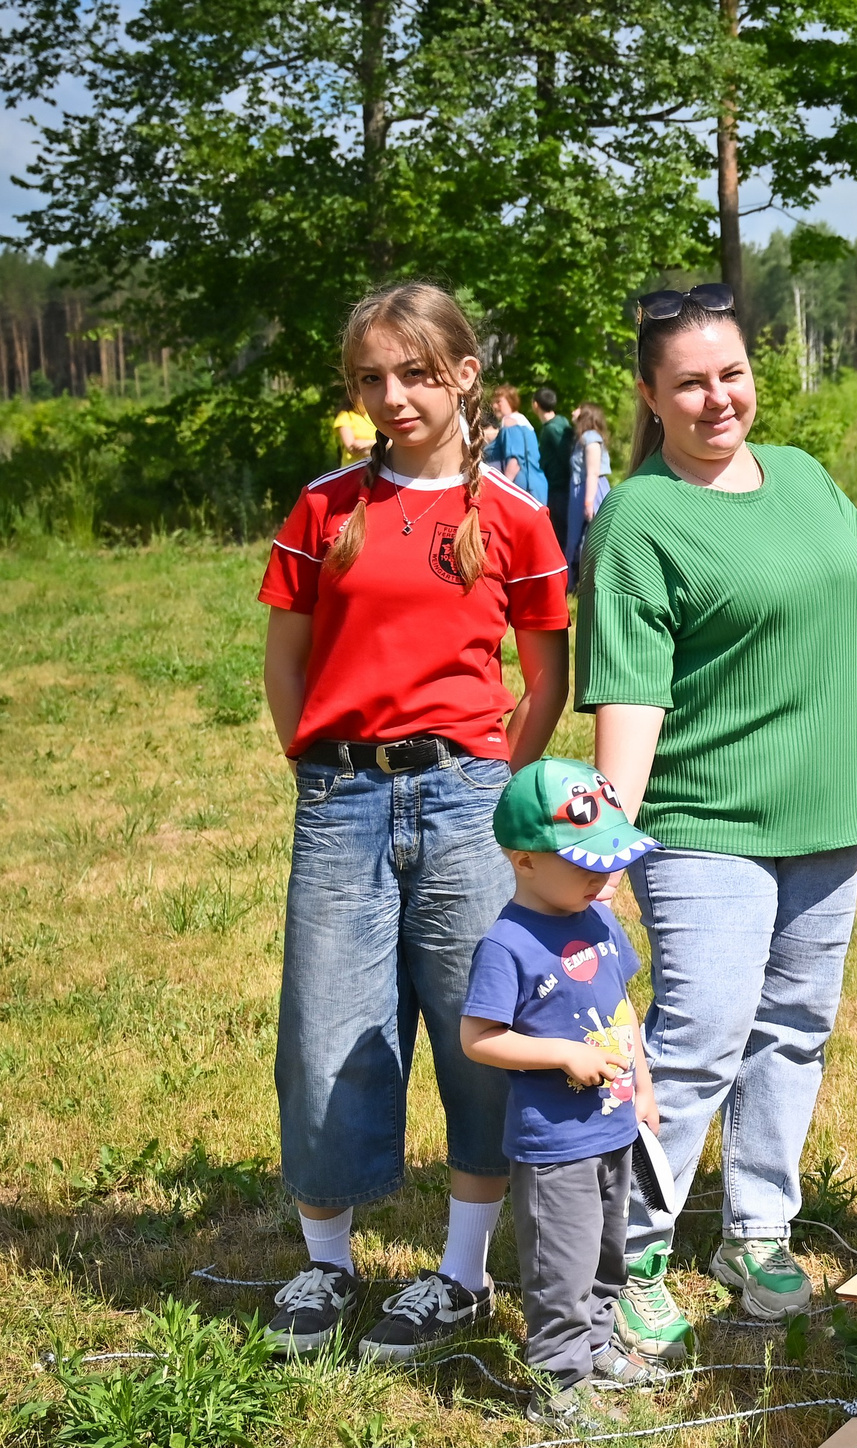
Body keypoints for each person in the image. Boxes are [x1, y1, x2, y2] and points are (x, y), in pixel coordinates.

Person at [579, 281, 857, 1368]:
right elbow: (629, 695)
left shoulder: (807, 480)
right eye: (688, 382)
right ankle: (625, 1262)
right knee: (697, 1040)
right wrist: (607, 844)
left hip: (824, 819)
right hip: (702, 824)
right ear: (650, 394)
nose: (716, 398)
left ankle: (756, 1230)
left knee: (792, 1030)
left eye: (730, 373)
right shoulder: (639, 519)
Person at [255, 281, 570, 1362]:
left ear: (464, 376)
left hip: (466, 799)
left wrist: (494, 781)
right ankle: (327, 1265)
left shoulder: (519, 518)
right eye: (371, 378)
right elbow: (286, 654)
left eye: (415, 374)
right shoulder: (325, 509)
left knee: (478, 1026)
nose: (393, 397)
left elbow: (545, 675)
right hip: (342, 798)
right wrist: (317, 760)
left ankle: (461, 1274)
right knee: (327, 1028)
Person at [459, 759, 663, 1424]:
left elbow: (622, 1007)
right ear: (523, 861)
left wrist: (641, 1086)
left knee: (607, 1256)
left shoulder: (597, 918)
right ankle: (558, 1382)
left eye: (608, 862)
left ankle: (597, 1346)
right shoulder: (508, 946)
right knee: (562, 1269)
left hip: (611, 1128)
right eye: (585, 865)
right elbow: (479, 1038)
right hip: (555, 1145)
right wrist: (561, 1055)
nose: (603, 879)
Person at [483, 385, 547, 507]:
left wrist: (504, 489)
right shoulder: (522, 421)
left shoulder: (510, 421)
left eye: (499, 401)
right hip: (533, 486)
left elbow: (515, 461)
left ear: (511, 400)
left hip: (524, 489)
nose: (494, 406)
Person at [564, 403, 612, 567]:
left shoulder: (591, 438)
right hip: (581, 489)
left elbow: (593, 472)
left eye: (577, 408)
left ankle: (582, 581)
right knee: (575, 539)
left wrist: (588, 502)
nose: (573, 411)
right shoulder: (582, 438)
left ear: (586, 413)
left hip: (591, 490)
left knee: (593, 536)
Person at [532, 387, 574, 549]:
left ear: (536, 405)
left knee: (559, 535)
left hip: (558, 489)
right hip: (561, 488)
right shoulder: (561, 422)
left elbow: (565, 457)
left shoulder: (552, 428)